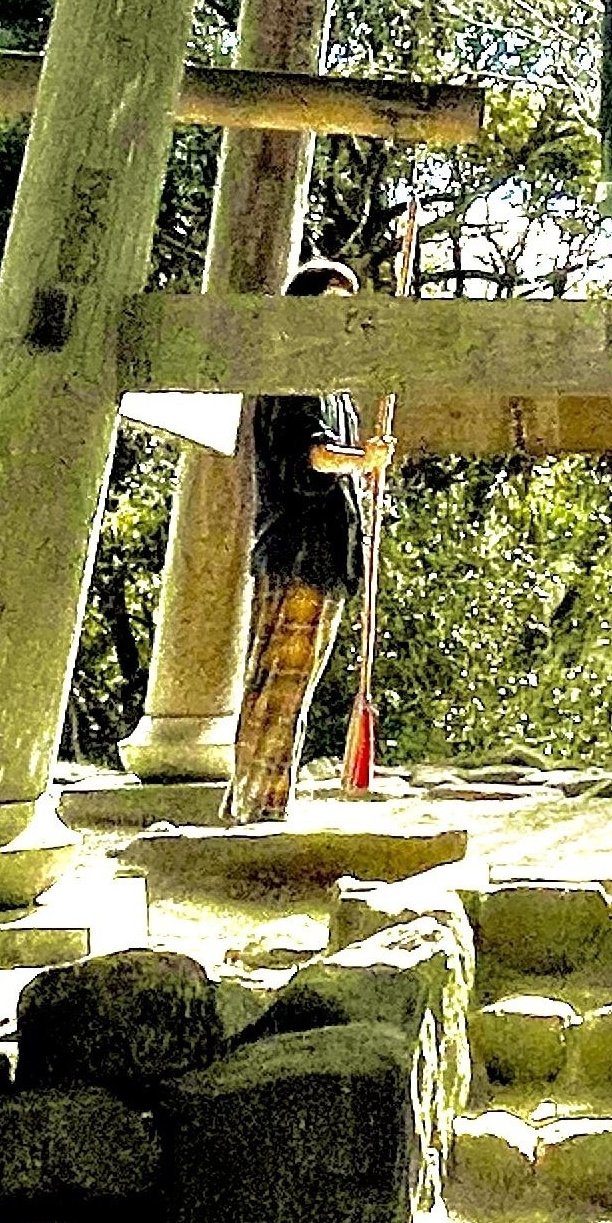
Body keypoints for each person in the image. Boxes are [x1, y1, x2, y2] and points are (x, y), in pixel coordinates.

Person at [227, 258, 376, 821]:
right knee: (277, 686)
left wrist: (362, 463)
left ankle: (263, 802)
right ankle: (256, 808)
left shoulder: (333, 389)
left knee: (294, 688)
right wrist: (361, 458)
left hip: (326, 554)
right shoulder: (293, 373)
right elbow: (308, 457)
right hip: (296, 550)